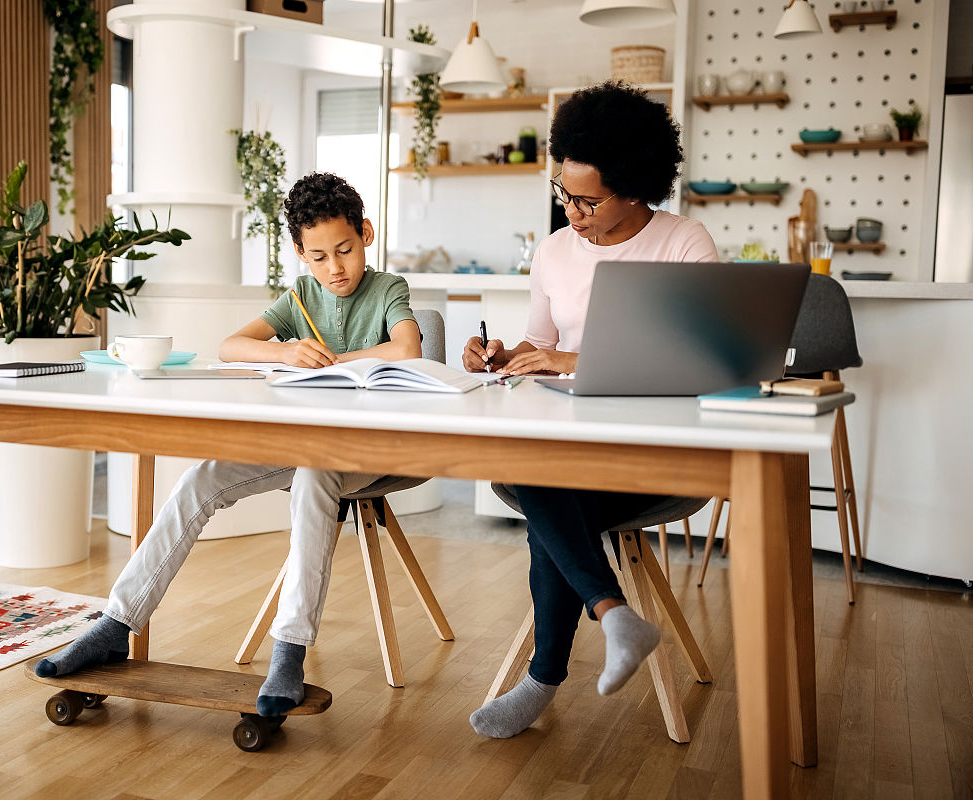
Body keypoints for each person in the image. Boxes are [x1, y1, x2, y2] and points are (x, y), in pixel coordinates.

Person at [37, 172, 422, 717]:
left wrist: (336, 361)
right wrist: (287, 353)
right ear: (299, 253)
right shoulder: (301, 297)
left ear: (366, 234)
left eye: (345, 250)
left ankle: (288, 651)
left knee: (315, 477)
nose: (334, 268)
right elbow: (231, 345)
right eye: (317, 257)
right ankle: (116, 623)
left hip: (369, 455)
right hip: (300, 444)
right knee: (201, 477)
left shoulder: (387, 289)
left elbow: (407, 349)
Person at [462, 81, 719, 739]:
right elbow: (540, 346)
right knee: (541, 472)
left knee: (546, 491)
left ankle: (544, 678)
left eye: (587, 200)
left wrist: (573, 361)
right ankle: (614, 616)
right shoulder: (554, 252)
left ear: (635, 187)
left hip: (656, 457)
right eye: (563, 195)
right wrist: (499, 353)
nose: (570, 212)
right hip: (570, 449)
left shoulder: (684, 243)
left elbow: (700, 366)